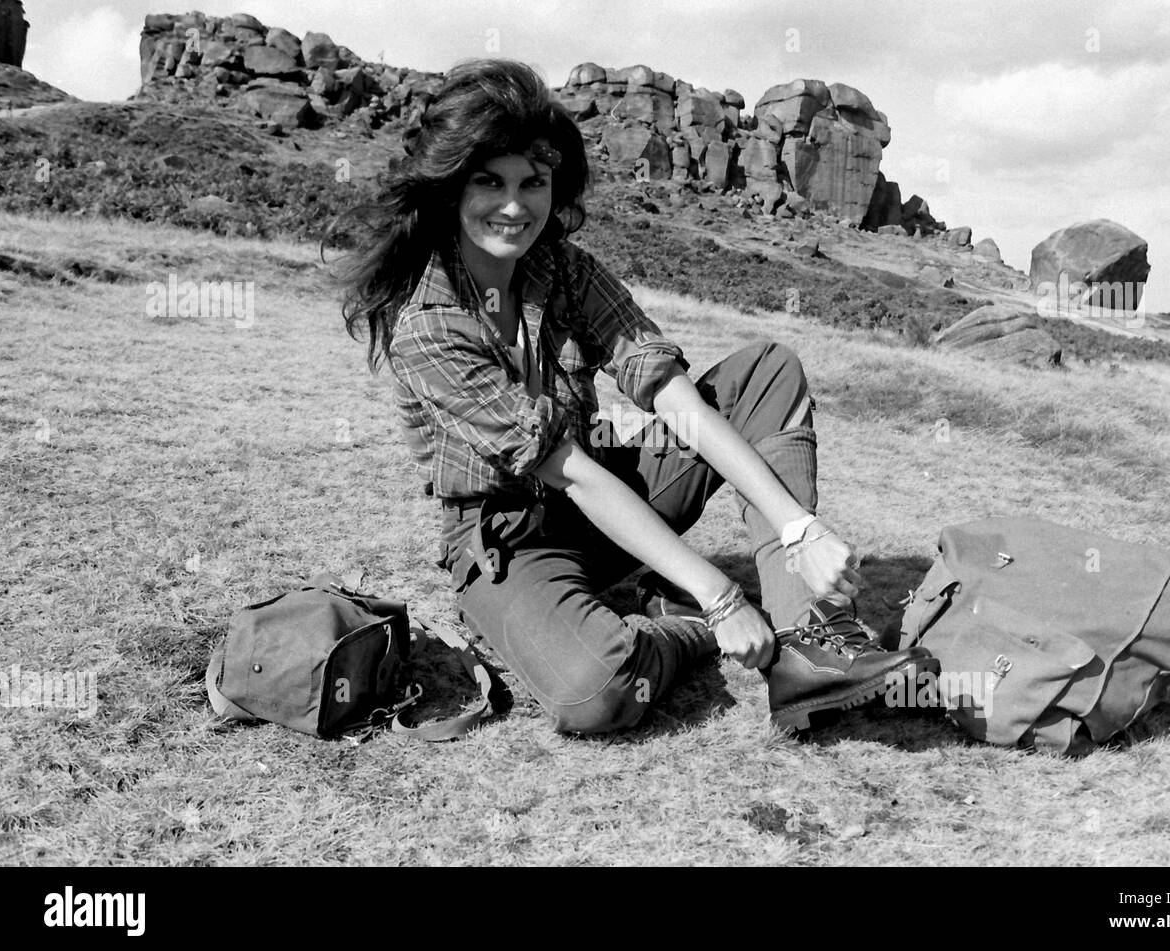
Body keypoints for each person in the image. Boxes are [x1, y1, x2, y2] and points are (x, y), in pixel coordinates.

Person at [329, 58, 933, 735]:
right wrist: (719, 599)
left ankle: (810, 645)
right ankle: (673, 628)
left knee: (765, 372)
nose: (514, 205)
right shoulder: (428, 324)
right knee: (598, 693)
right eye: (488, 181)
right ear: (450, 187)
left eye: (533, 183)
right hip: (509, 539)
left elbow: (671, 397)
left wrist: (799, 527)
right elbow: (568, 471)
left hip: (602, 494)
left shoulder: (563, 269)